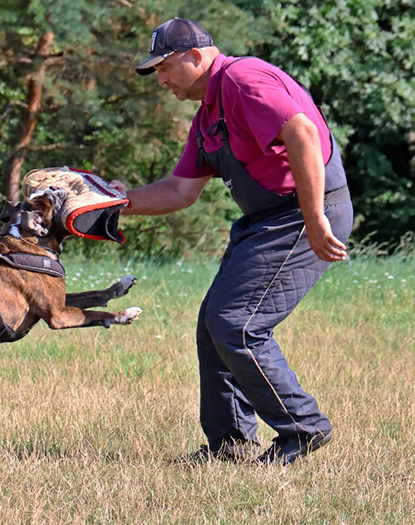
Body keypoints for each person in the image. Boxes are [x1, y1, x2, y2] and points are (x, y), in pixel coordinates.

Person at [111, 18, 353, 465]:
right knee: (213, 325)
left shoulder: (243, 80)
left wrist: (315, 216)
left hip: (303, 212)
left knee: (237, 322)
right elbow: (179, 190)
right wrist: (113, 202)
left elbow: (301, 132)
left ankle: (303, 428)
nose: (160, 80)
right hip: (266, 220)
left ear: (196, 57)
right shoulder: (207, 115)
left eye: (163, 68)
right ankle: (230, 446)